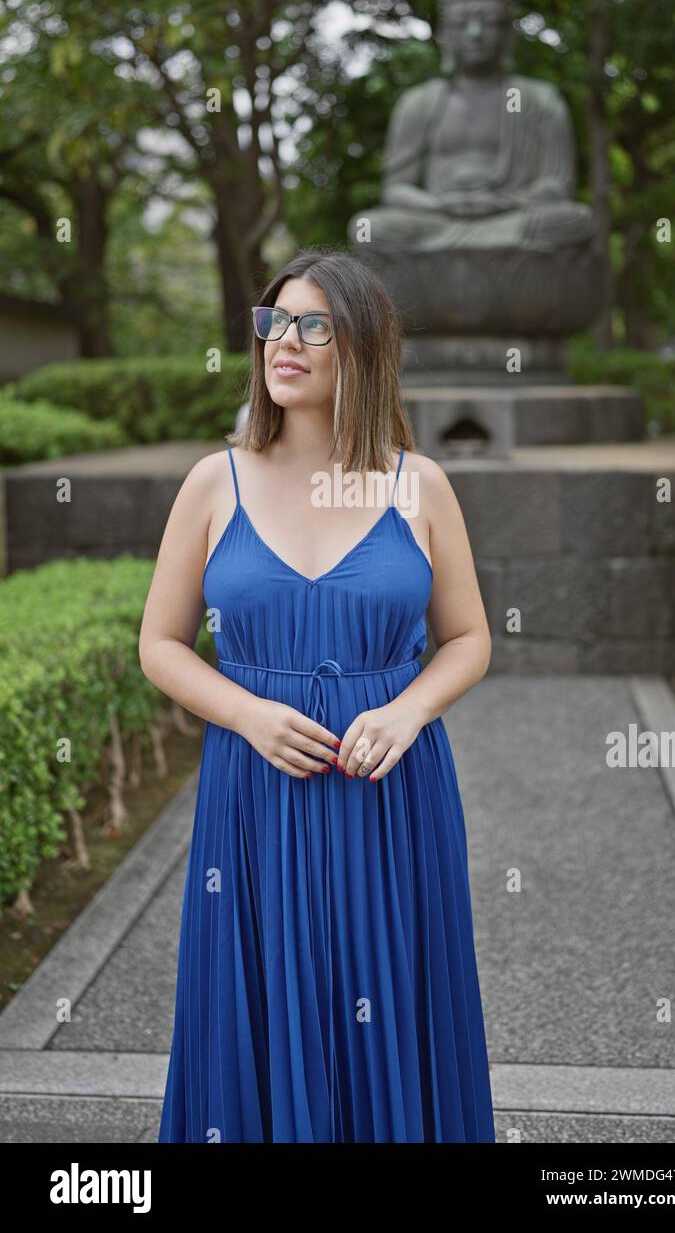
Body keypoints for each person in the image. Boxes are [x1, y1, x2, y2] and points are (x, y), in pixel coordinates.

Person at [139, 246, 496, 1143]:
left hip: (390, 793)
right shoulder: (211, 482)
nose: (281, 342)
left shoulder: (419, 485)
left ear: (363, 349)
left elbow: (469, 638)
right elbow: (158, 644)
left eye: (312, 325)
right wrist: (246, 712)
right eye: (272, 323)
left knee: (391, 993)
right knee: (257, 994)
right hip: (254, 789)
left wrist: (410, 708)